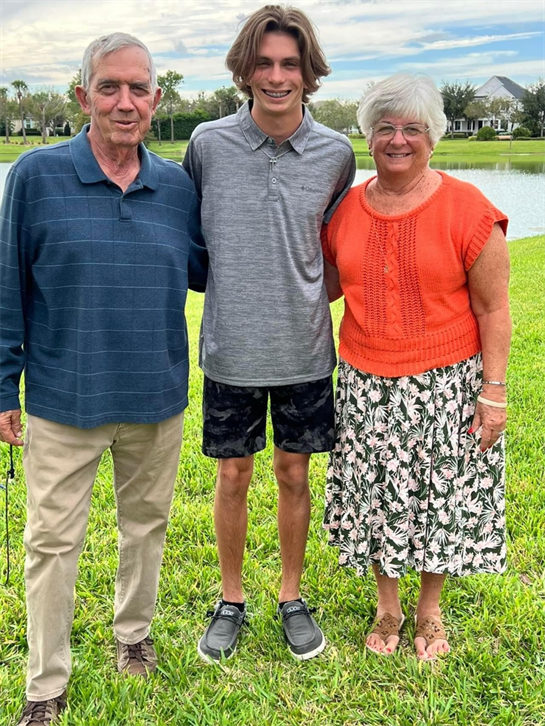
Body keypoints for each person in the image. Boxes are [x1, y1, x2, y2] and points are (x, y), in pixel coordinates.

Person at [0, 33, 206, 725]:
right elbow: (7, 289)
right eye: (109, 88)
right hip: (63, 399)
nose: (125, 102)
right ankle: (45, 685)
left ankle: (133, 639)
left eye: (139, 88)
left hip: (157, 396)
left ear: (155, 99)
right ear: (82, 96)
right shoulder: (35, 176)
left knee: (144, 527)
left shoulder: (177, 186)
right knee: (51, 545)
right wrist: (4, 387)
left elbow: (214, 268)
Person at [183, 5, 355, 662]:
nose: (276, 76)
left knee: (292, 473)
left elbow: (335, 254)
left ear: (308, 73)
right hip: (230, 349)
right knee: (232, 475)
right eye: (264, 63)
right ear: (244, 69)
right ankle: (230, 599)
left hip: (305, 352)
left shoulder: (336, 152)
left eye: (289, 64)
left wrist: (303, 298)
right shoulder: (207, 144)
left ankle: (290, 596)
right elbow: (197, 244)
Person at [322, 74, 511, 661]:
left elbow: (494, 306)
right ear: (368, 136)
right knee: (378, 494)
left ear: (433, 136)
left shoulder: (468, 209)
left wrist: (494, 391)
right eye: (385, 128)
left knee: (438, 496)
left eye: (412, 128)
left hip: (445, 383)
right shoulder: (347, 209)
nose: (397, 139)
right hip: (364, 379)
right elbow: (322, 286)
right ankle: (387, 605)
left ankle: (428, 610)